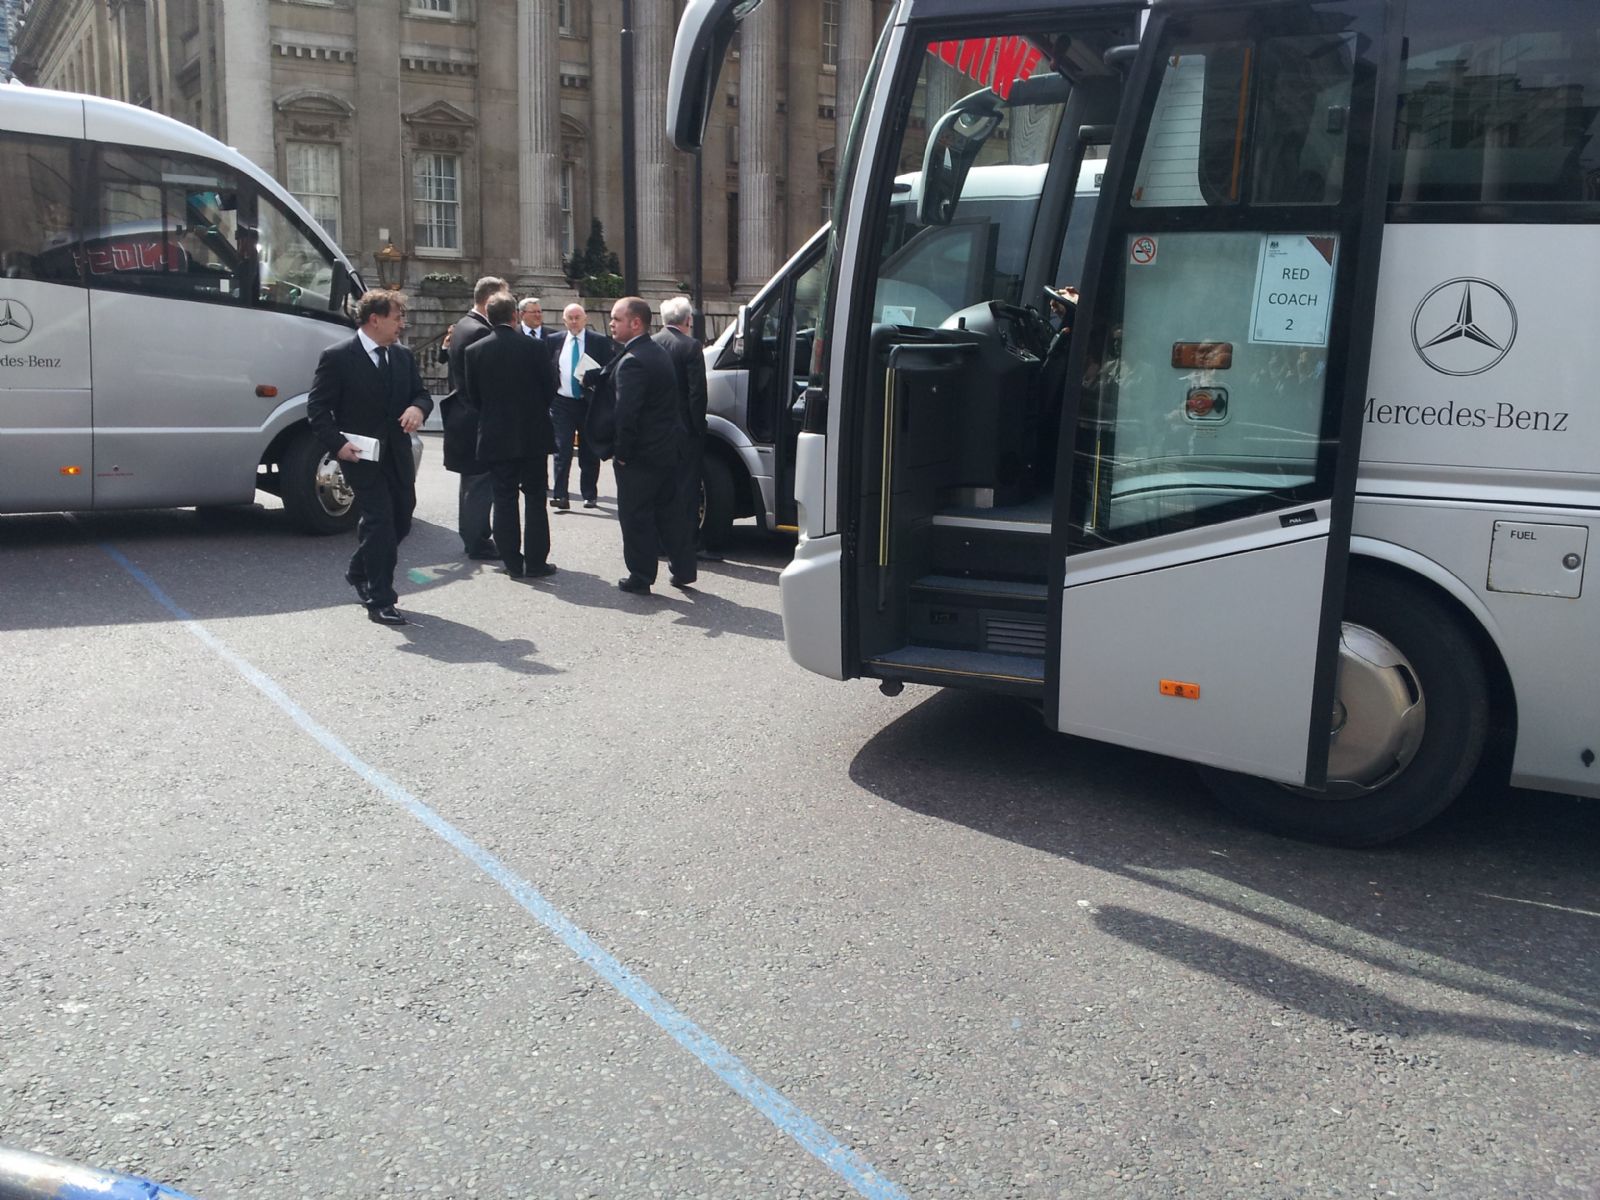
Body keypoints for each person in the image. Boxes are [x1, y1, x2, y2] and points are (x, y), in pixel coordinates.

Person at [305, 289, 432, 626]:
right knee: (380, 523)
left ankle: (358, 568)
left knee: (402, 518)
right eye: (397, 318)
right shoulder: (338, 356)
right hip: (360, 456)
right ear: (375, 319)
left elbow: (422, 394)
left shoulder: (402, 356)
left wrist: (417, 408)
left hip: (397, 454)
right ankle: (381, 598)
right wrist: (338, 445)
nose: (402, 324)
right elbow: (317, 409)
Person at [464, 292, 560, 579]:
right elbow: (550, 387)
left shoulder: (475, 351)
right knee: (534, 498)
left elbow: (473, 396)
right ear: (515, 316)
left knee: (503, 499)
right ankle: (536, 561)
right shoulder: (534, 348)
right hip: (532, 433)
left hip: (496, 434)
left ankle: (511, 561)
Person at [605, 296, 694, 594]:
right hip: (668, 449)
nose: (611, 324)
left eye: (616, 319)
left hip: (641, 456)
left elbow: (626, 415)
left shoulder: (633, 361)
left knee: (636, 516)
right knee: (671, 513)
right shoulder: (656, 352)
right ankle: (684, 569)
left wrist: (622, 454)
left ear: (636, 323)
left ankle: (641, 576)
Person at [438, 275, 506, 560]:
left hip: (464, 413)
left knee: (471, 482)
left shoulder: (463, 325)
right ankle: (477, 539)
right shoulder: (479, 331)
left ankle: (472, 534)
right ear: (490, 300)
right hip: (476, 416)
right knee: (480, 482)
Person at [653, 295, 709, 558]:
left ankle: (660, 541)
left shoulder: (651, 344)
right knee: (686, 489)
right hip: (685, 430)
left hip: (656, 431)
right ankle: (686, 544)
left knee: (661, 487)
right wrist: (699, 427)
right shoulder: (691, 347)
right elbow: (697, 394)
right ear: (688, 320)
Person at [547, 302, 614, 510]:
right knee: (562, 449)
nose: (574, 321)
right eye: (570, 318)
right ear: (564, 320)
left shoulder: (599, 341)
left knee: (588, 451)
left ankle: (589, 494)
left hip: (588, 403)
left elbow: (609, 368)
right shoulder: (553, 341)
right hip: (562, 402)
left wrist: (594, 376)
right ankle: (560, 495)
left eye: (578, 317)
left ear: (585, 319)